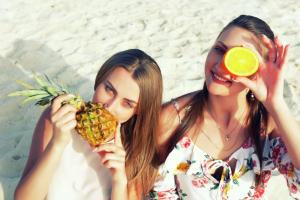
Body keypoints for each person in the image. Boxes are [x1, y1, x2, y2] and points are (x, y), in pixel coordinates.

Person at [148, 15, 300, 199]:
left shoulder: (268, 123)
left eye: (239, 59)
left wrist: (275, 103)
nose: (223, 64)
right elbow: (158, 193)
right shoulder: (171, 119)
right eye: (220, 49)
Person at [14, 49, 163, 200]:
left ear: (139, 110)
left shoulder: (136, 151)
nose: (110, 107)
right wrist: (57, 145)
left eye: (128, 104)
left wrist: (119, 180)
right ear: (99, 81)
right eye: (109, 89)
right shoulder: (59, 119)